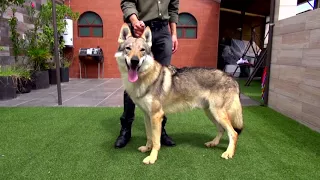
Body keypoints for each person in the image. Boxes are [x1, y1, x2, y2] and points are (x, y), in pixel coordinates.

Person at [115, 0, 180, 148]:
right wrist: (134, 20)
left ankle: (160, 129)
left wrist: (174, 34)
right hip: (140, 28)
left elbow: (173, 8)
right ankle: (126, 129)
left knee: (163, 82)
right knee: (132, 79)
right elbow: (127, 2)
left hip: (164, 31)